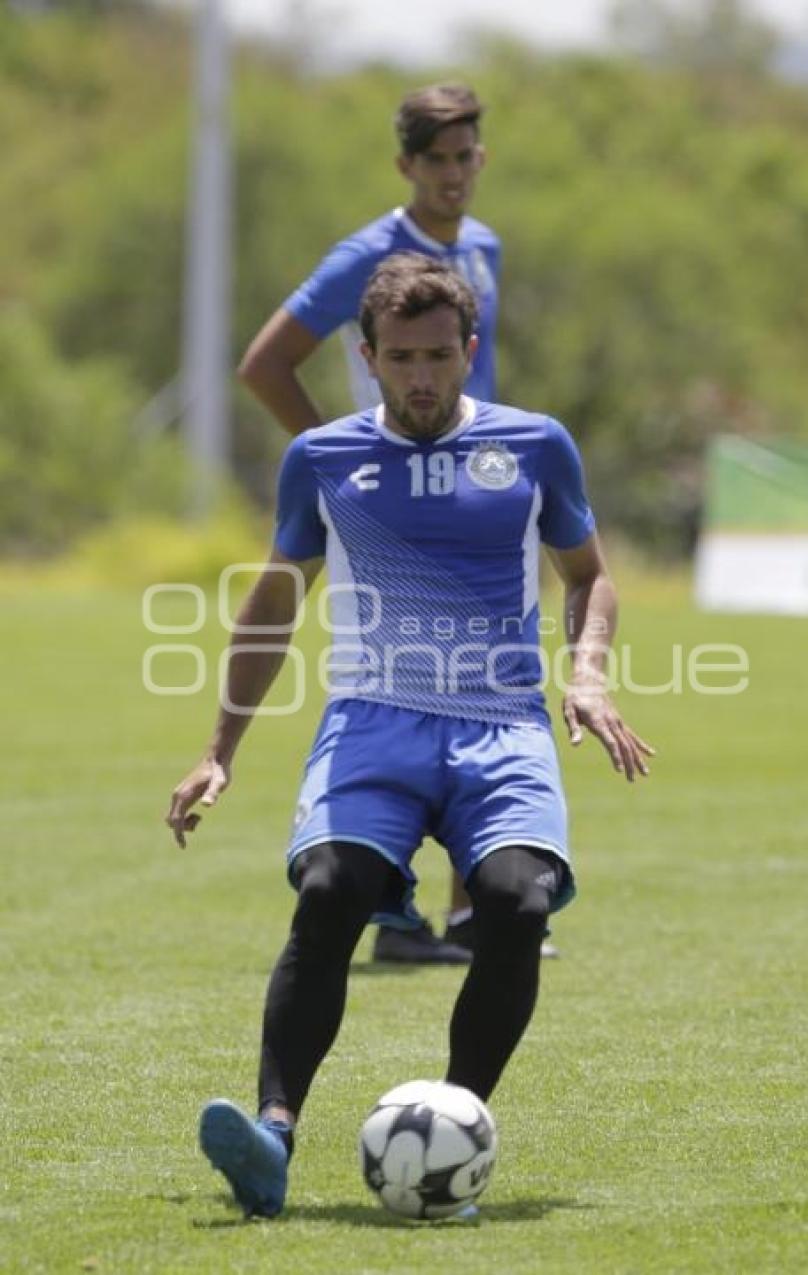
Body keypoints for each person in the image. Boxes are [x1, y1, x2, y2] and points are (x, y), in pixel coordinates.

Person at [166, 254, 654, 1219]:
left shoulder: (535, 445)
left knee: (515, 905)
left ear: (471, 351)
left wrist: (587, 673)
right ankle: (271, 1135)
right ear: (368, 358)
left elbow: (588, 573)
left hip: (502, 724)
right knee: (329, 890)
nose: (423, 377)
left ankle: (454, 1122)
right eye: (402, 358)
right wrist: (221, 746)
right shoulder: (323, 459)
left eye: (440, 355)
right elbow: (274, 601)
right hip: (372, 724)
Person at [238, 82, 499, 965]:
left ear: (482, 158)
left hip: (481, 498)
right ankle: (387, 906)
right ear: (406, 165)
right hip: (394, 504)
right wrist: (339, 462)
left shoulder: (483, 248)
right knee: (390, 686)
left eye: (465, 156)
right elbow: (265, 364)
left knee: (488, 685)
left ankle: (473, 917)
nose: (452, 174)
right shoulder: (370, 253)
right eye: (435, 159)